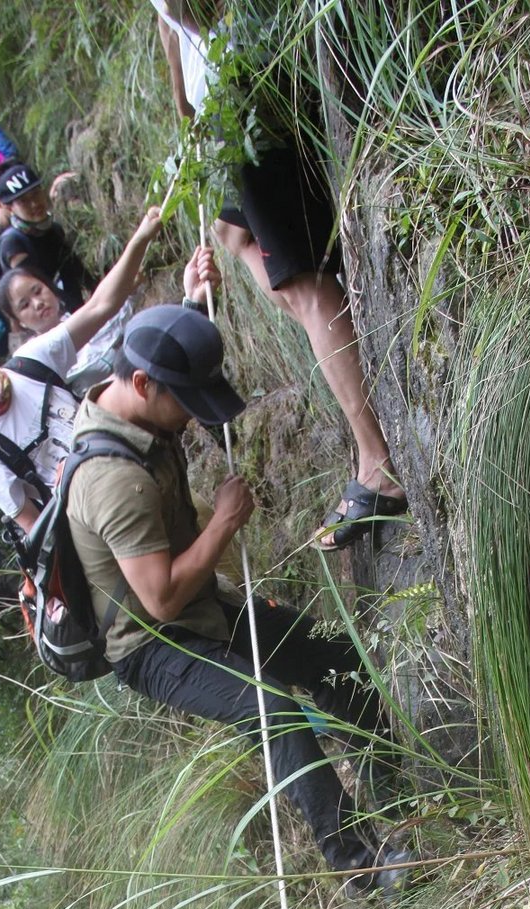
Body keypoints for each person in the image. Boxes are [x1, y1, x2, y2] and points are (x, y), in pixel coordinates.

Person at [65, 303, 408, 890]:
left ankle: (396, 798)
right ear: (143, 385)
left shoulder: (137, 399)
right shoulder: (111, 481)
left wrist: (192, 302)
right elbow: (162, 600)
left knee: (335, 655)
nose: (197, 417)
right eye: (188, 402)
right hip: (154, 642)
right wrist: (223, 522)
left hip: (203, 600)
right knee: (272, 713)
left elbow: (166, 348)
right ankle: (363, 866)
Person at [153, 1, 407, 551]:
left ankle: (378, 465)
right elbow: (170, 22)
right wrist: (187, 112)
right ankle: (337, 367)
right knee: (233, 233)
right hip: (219, 100)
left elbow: (191, 11)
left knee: (301, 281)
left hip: (246, 77)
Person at [0, 207, 169, 533]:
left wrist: (140, 239)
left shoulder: (30, 362)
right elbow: (30, 521)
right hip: (105, 525)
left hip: (144, 465)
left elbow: (100, 306)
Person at [0, 160, 92, 310]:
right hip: (40, 316)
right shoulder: (13, 243)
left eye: (36, 194)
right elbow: (35, 289)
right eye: (24, 201)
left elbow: (76, 272)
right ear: (9, 207)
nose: (34, 204)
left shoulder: (53, 229)